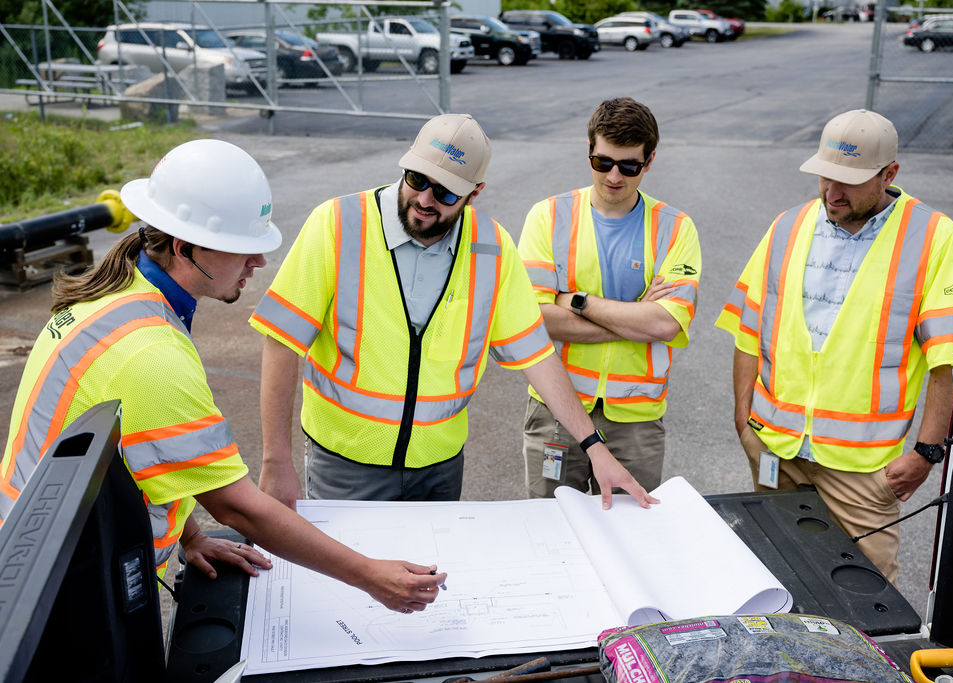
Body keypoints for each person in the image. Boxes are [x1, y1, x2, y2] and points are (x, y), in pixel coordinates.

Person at [0, 139, 445, 614]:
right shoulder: (151, 354)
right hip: (62, 590)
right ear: (185, 248)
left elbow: (143, 446)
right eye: (242, 249)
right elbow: (237, 507)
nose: (257, 263)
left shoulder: (120, 290)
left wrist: (190, 534)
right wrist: (371, 576)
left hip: (38, 549)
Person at [252, 113, 655, 510]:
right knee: (345, 575)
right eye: (417, 180)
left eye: (445, 193)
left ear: (474, 193)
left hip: (440, 469)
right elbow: (282, 341)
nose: (425, 200)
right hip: (345, 465)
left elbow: (539, 358)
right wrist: (275, 460)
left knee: (428, 575)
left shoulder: (492, 247)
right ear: (407, 163)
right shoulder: (337, 224)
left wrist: (595, 448)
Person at [715, 109, 953, 583]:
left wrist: (926, 452)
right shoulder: (787, 227)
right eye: (825, 178)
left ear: (889, 174)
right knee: (777, 581)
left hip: (862, 469)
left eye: (849, 182)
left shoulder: (936, 239)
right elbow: (748, 330)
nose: (832, 193)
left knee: (863, 601)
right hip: (777, 449)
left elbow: (948, 362)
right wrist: (744, 418)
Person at [516, 97, 701, 498]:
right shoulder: (547, 216)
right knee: (551, 529)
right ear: (589, 152)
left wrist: (575, 300)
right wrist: (635, 320)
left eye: (629, 166)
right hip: (557, 408)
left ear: (649, 161)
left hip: (635, 418)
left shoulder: (676, 228)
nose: (614, 176)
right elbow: (534, 318)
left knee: (631, 537)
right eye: (603, 162)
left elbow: (665, 324)